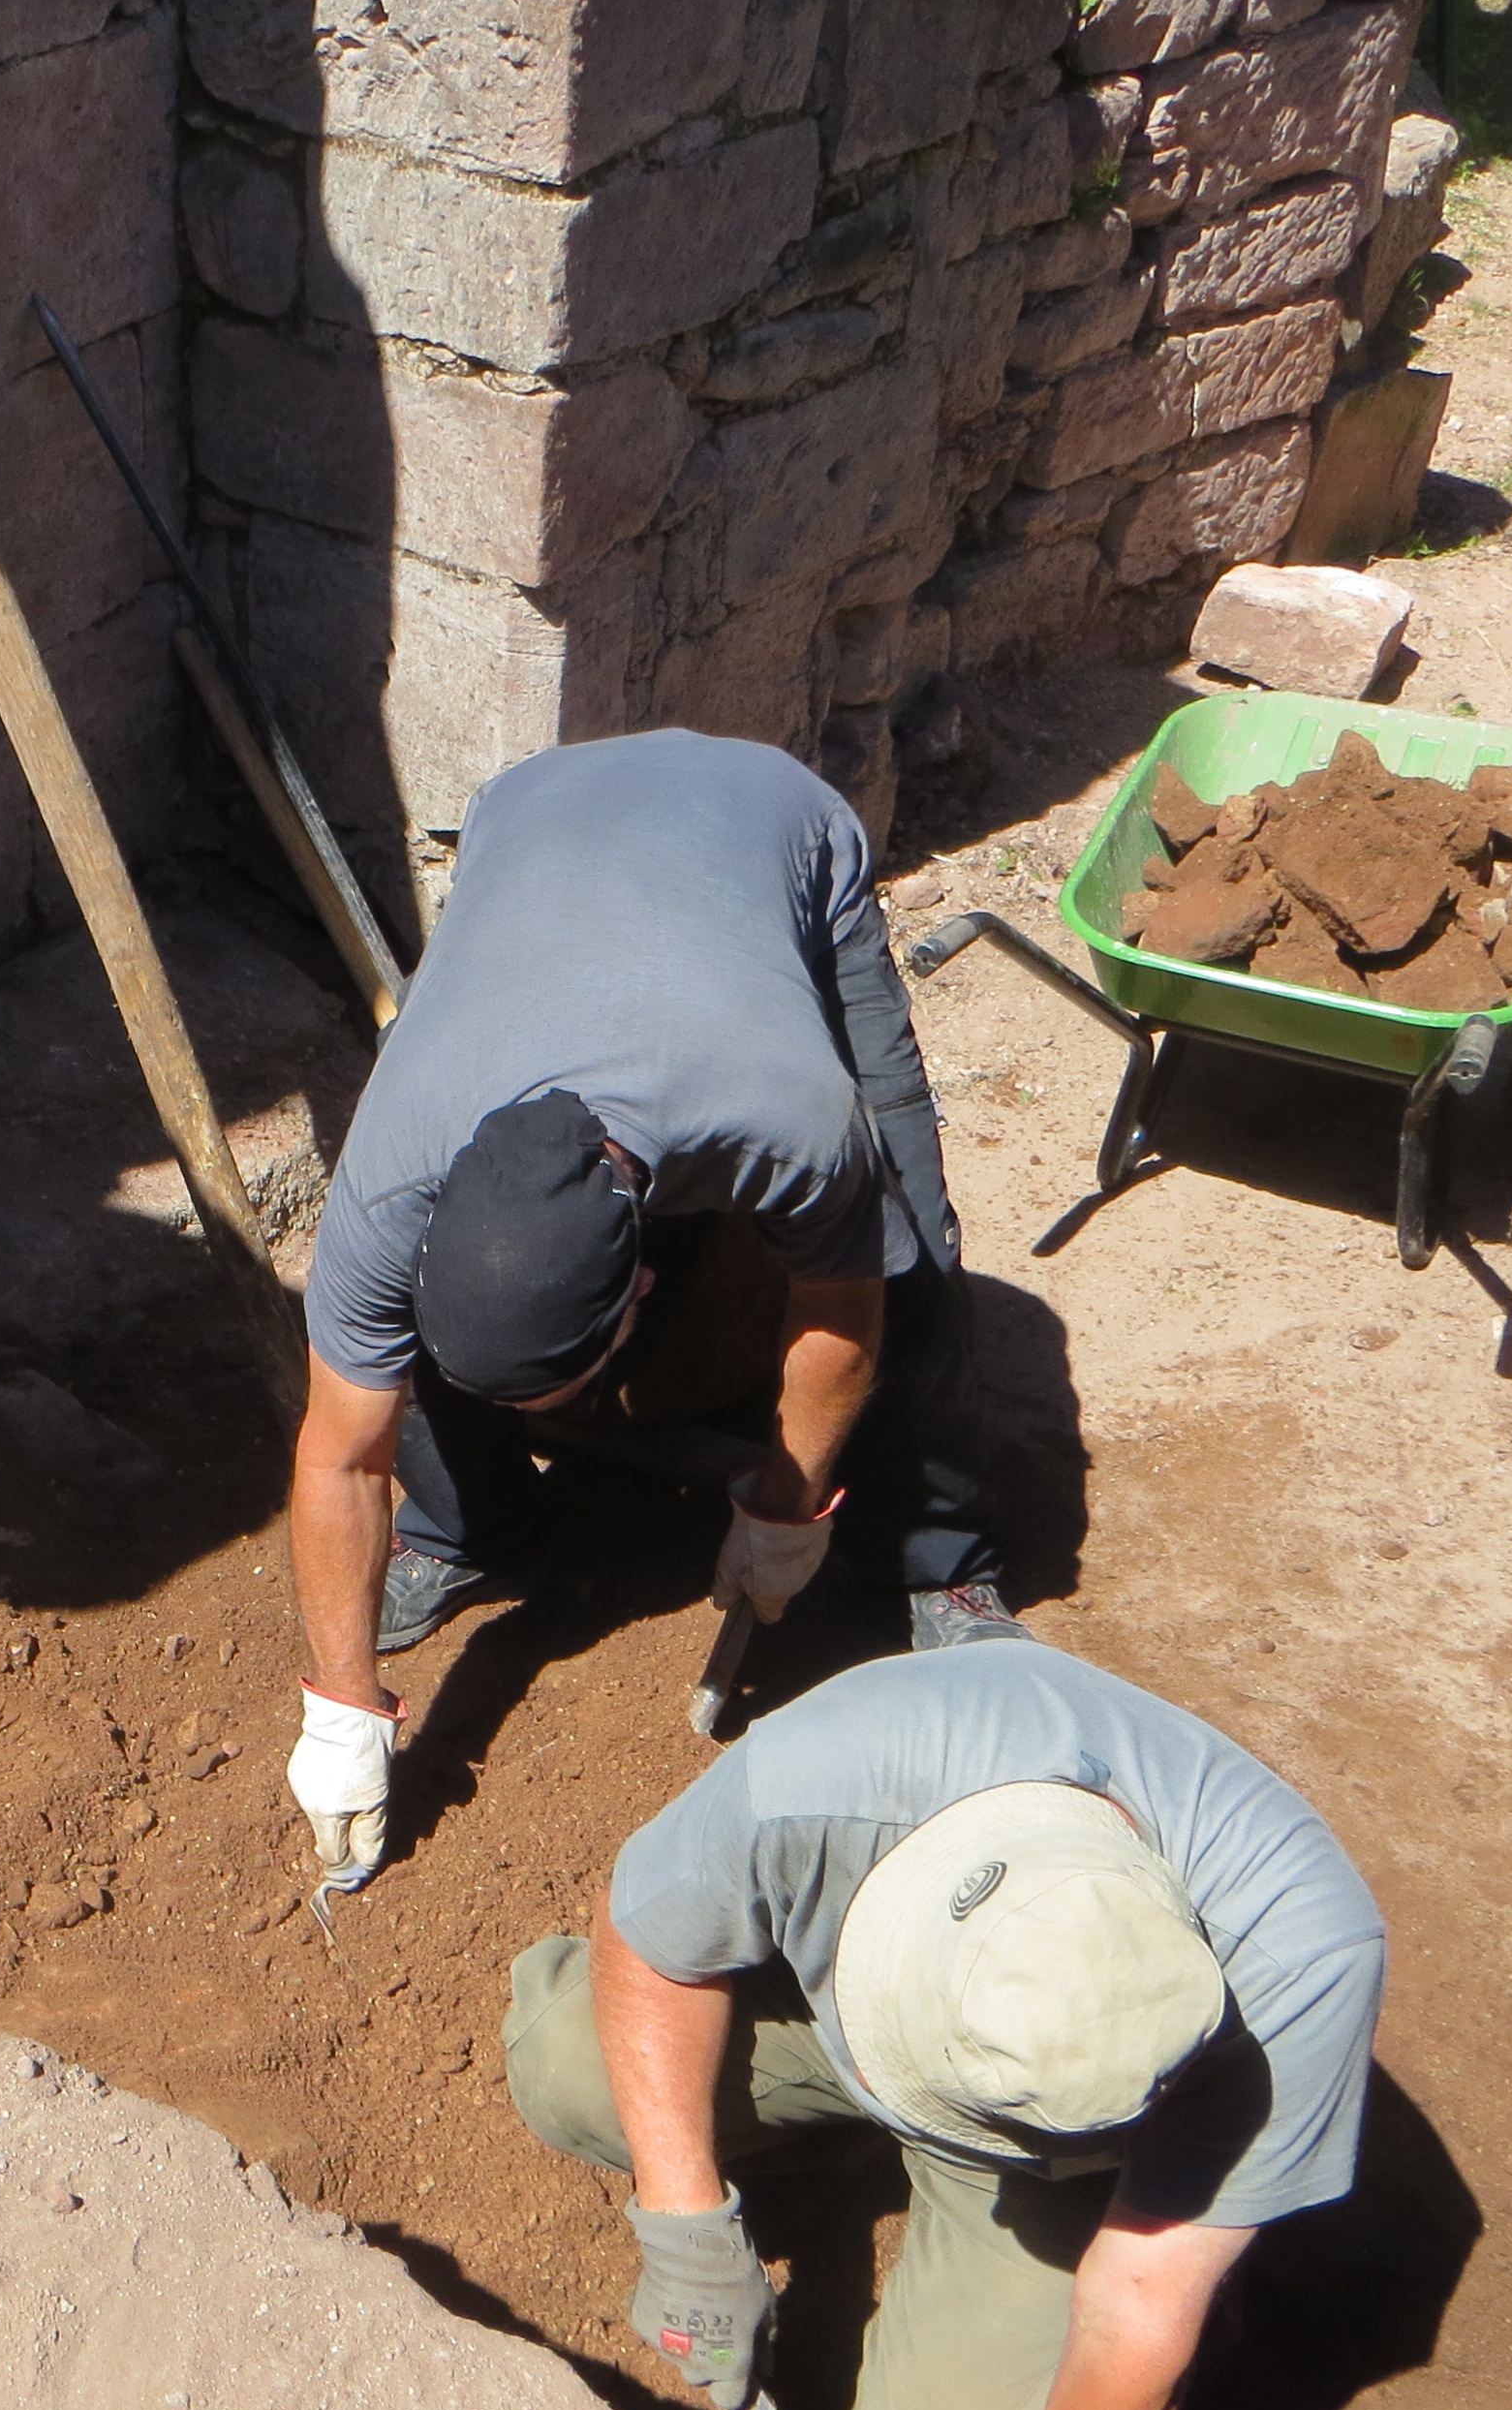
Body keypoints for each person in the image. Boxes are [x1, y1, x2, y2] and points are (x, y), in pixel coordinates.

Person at [497, 1637, 1385, 2410]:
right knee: (567, 2061)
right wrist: (685, 2222)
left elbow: (1142, 2303)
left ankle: (1209, 2281)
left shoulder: (1302, 1965)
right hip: (844, 2010)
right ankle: (835, 2153)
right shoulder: (823, 1776)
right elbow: (650, 1943)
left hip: (1060, 2163)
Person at [282, 727, 1006, 1891]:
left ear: (646, 1284)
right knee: (396, 1365)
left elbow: (842, 1310)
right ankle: (470, 1527)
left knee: (911, 1252)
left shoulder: (788, 1122)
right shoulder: (385, 1188)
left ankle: (938, 1559)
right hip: (535, 820)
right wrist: (342, 1709)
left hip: (766, 827)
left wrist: (784, 1505)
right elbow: (340, 1452)